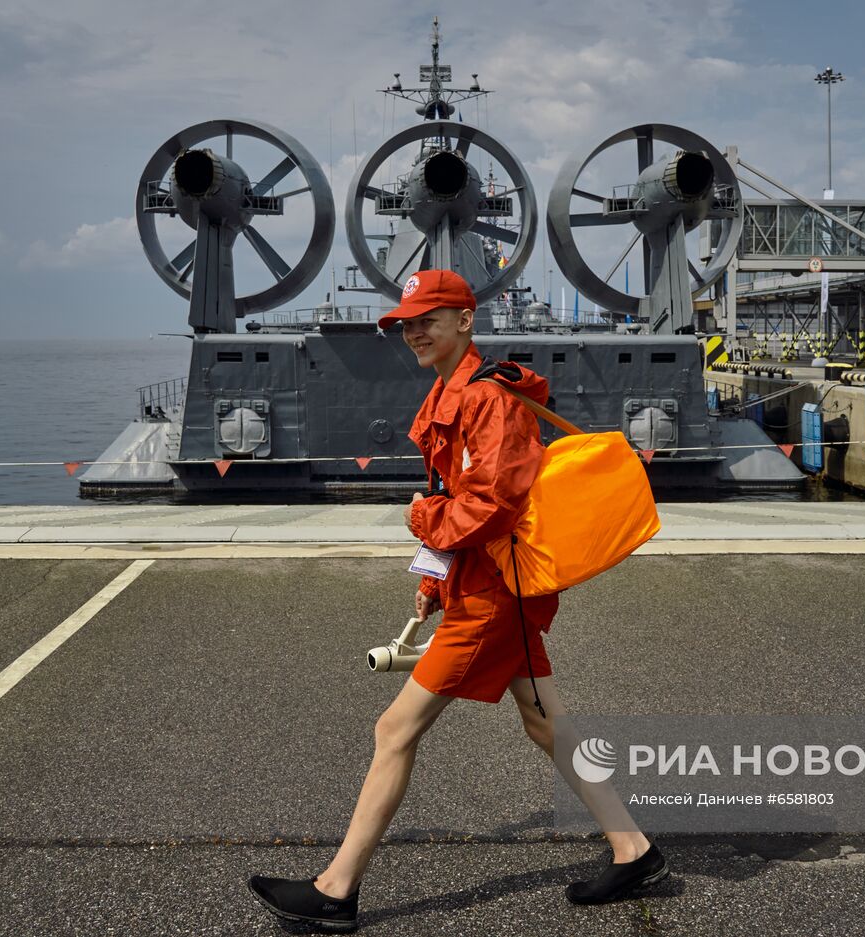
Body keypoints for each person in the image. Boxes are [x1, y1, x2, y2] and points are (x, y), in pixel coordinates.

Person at [248, 269, 665, 932]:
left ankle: (335, 890)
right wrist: (433, 579)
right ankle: (633, 846)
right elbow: (463, 500)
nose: (413, 331)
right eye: (406, 322)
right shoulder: (455, 392)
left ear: (465, 320)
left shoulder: (482, 399)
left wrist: (422, 524)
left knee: (395, 728)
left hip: (495, 595)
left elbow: (491, 504)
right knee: (544, 722)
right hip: (494, 586)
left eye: (428, 318)